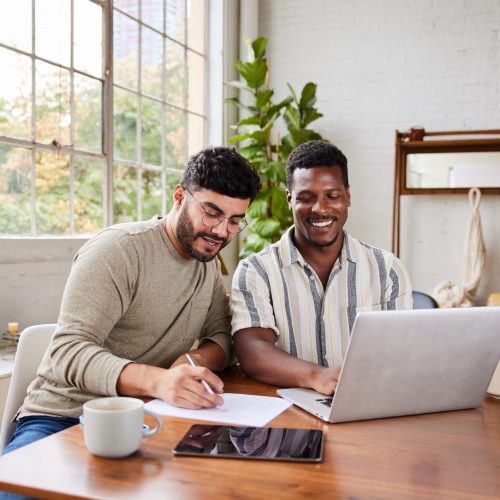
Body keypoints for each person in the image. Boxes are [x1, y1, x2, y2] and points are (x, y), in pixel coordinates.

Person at [2, 146, 261, 456]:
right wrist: (158, 381)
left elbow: (225, 334)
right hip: (65, 416)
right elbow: (67, 351)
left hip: (147, 416)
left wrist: (194, 361)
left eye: (235, 220)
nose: (221, 232)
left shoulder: (205, 262)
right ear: (179, 196)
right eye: (211, 213)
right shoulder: (118, 250)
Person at [231, 141, 412, 396]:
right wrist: (318, 377)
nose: (320, 209)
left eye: (332, 196)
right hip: (285, 415)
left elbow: (400, 351)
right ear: (289, 199)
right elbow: (252, 352)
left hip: (365, 405)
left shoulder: (387, 270)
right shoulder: (256, 271)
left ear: (347, 196)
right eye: (306, 198)